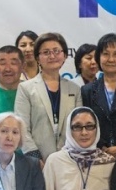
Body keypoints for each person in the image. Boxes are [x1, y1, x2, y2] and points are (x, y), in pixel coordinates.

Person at [15, 32, 83, 161]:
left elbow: (78, 127)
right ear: (37, 58)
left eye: (56, 51)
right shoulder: (25, 88)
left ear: (64, 55)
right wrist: (35, 158)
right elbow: (22, 127)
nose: (52, 56)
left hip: (69, 159)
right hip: (36, 161)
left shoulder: (75, 89)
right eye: (46, 52)